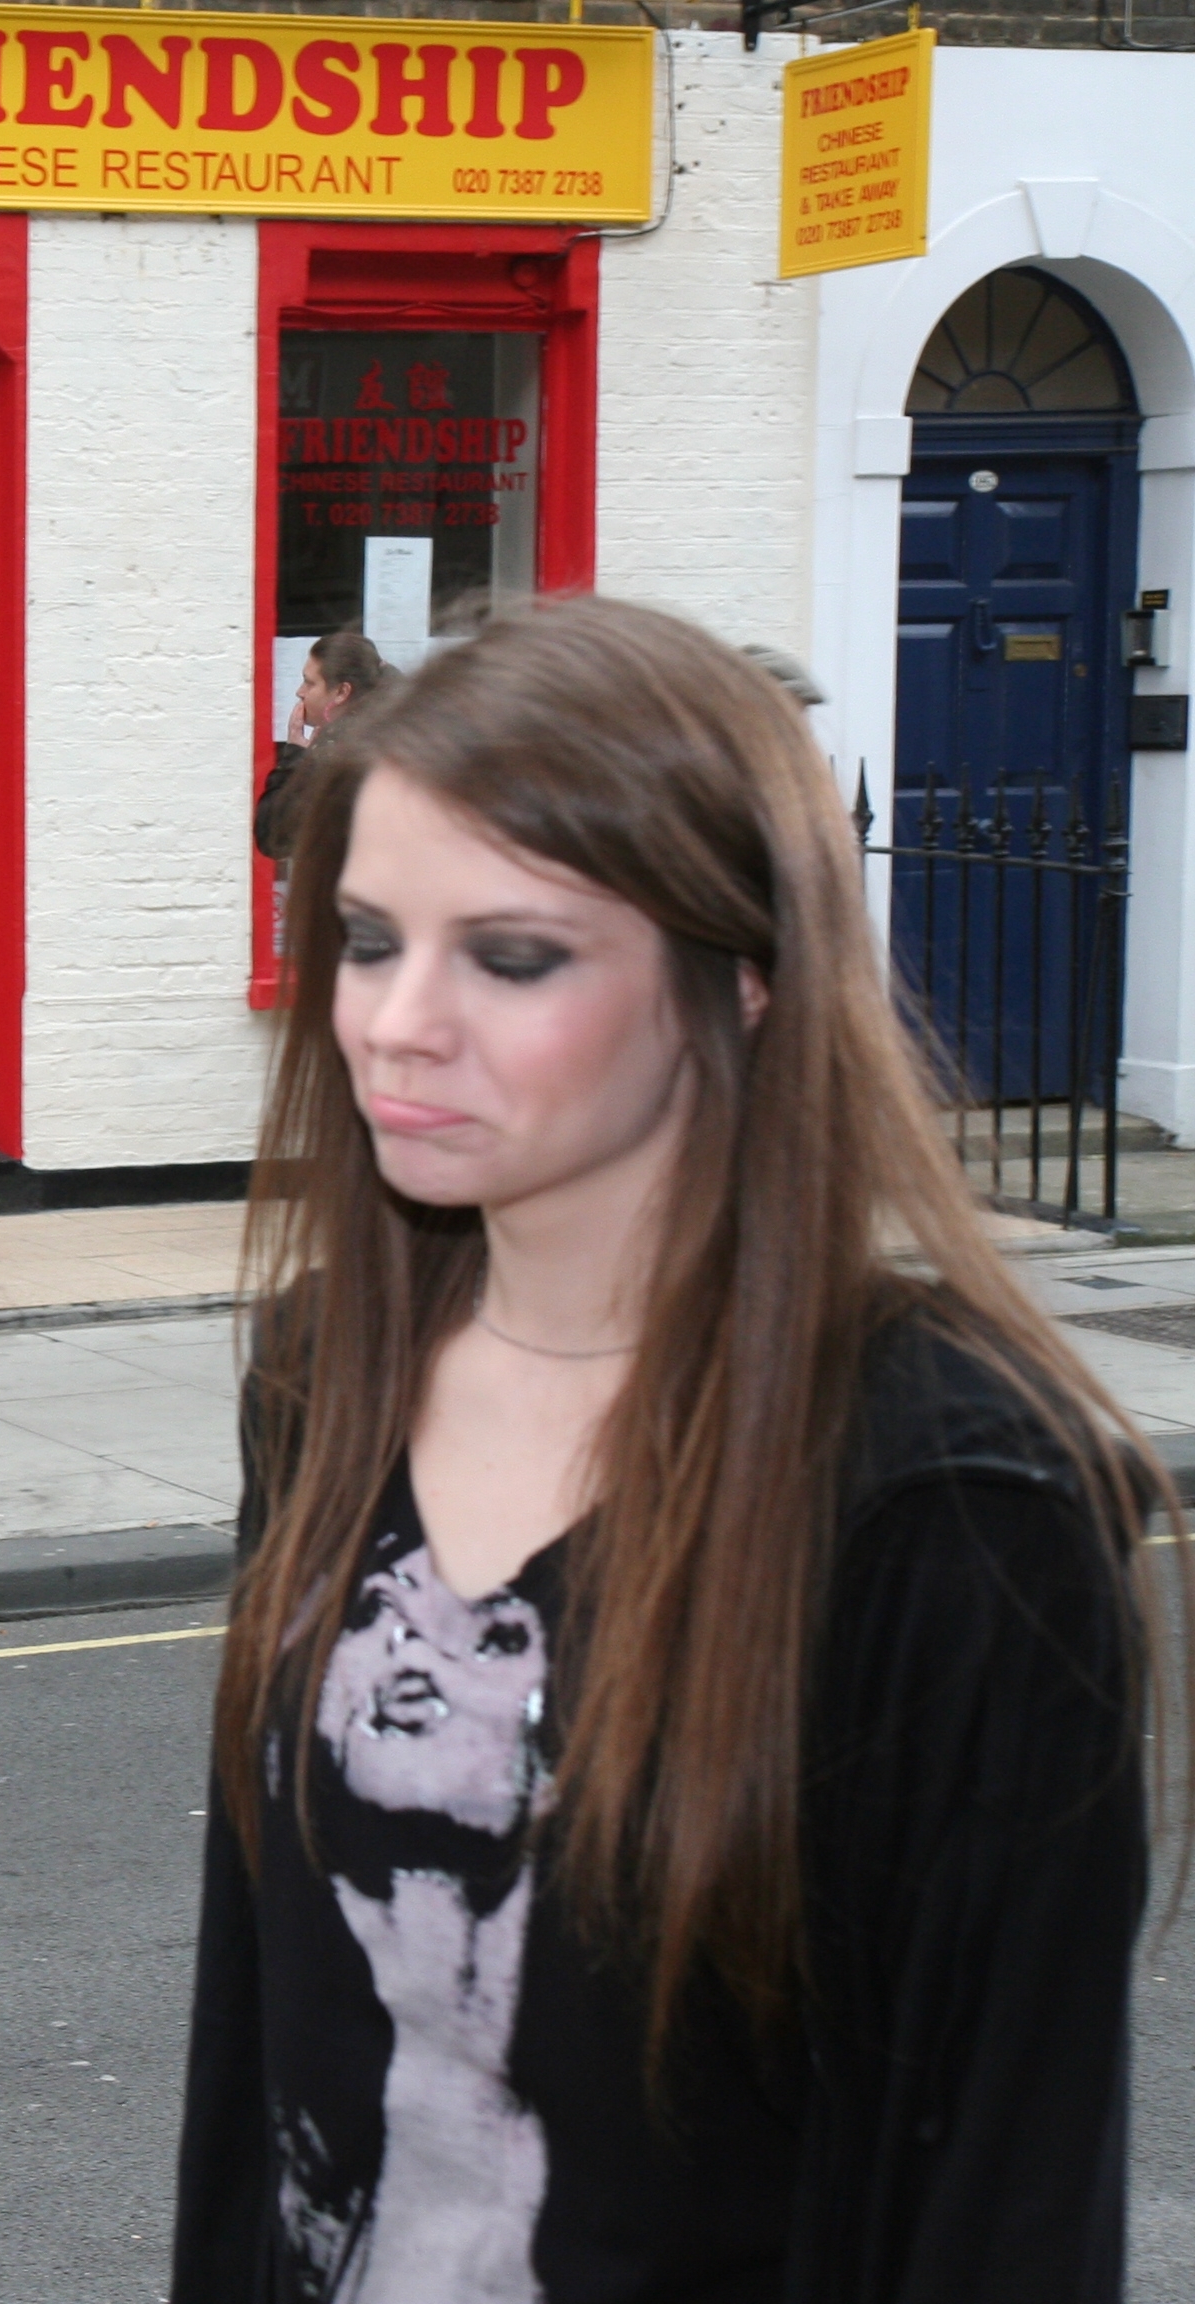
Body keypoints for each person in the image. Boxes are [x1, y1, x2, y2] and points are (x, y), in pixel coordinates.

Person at [172, 594, 1169, 2302]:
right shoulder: (323, 1371)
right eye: (367, 939)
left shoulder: (952, 1506)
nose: (397, 1021)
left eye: (513, 956)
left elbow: (999, 2207)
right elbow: (254, 2041)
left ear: (744, 977)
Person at [254, 630, 395, 863]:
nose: (300, 692)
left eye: (309, 683)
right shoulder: (392, 729)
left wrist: (295, 758)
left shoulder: (341, 755)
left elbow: (274, 836)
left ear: (341, 692)